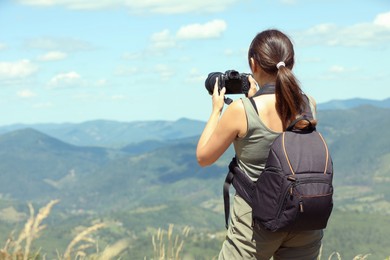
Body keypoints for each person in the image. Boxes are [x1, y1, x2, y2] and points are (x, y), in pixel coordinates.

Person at [196, 29, 323, 260]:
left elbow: (204, 157)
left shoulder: (242, 110)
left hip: (256, 224)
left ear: (253, 64)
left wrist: (217, 110)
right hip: (305, 217)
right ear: (290, 64)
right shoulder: (308, 104)